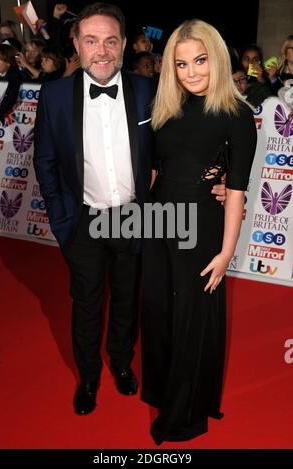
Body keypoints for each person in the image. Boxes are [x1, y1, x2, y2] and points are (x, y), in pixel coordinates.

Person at [33, 3, 226, 417]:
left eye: (109, 41)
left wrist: (220, 179)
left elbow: (183, 144)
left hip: (135, 217)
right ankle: (87, 377)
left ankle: (120, 363)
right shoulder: (53, 97)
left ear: (122, 45)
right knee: (86, 303)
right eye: (90, 41)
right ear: (77, 45)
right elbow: (45, 163)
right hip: (83, 220)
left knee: (126, 299)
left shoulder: (148, 89)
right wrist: (63, 223)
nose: (100, 51)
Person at [141, 19, 257, 445]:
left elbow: (238, 191)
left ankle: (183, 414)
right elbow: (156, 172)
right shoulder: (165, 111)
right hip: (157, 223)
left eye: (201, 60)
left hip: (201, 227)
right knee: (157, 310)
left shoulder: (238, 116)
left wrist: (227, 253)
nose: (191, 73)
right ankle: (158, 385)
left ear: (218, 58)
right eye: (181, 64)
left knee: (193, 318)